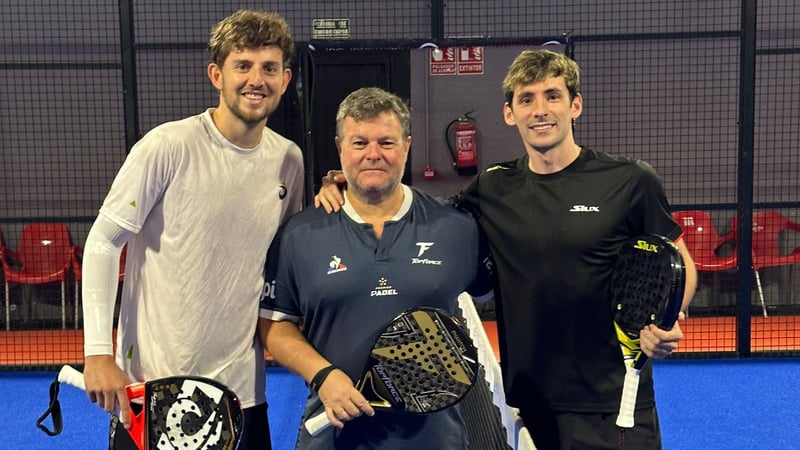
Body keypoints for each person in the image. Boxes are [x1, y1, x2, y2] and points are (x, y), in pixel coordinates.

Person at [315, 49, 698, 450]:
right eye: (526, 99)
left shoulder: (630, 180)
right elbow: (422, 216)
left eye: (552, 96)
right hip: (530, 402)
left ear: (575, 106)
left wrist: (667, 318)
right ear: (509, 113)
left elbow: (679, 264)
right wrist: (355, 182)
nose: (540, 110)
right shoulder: (492, 187)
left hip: (612, 402)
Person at [80, 10, 303, 450]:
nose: (256, 80)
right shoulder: (167, 146)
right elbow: (104, 242)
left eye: (269, 68)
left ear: (285, 79)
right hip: (155, 385)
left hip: (243, 395)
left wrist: (339, 192)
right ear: (217, 75)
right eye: (243, 66)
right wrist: (98, 352)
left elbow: (287, 258)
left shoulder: (289, 160)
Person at [258, 87, 494, 449]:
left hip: (436, 440)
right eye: (359, 143)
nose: (373, 154)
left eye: (386, 142)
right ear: (340, 148)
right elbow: (275, 326)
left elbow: (498, 292)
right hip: (334, 439)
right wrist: (323, 376)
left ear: (407, 146)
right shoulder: (298, 234)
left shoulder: (456, 227)